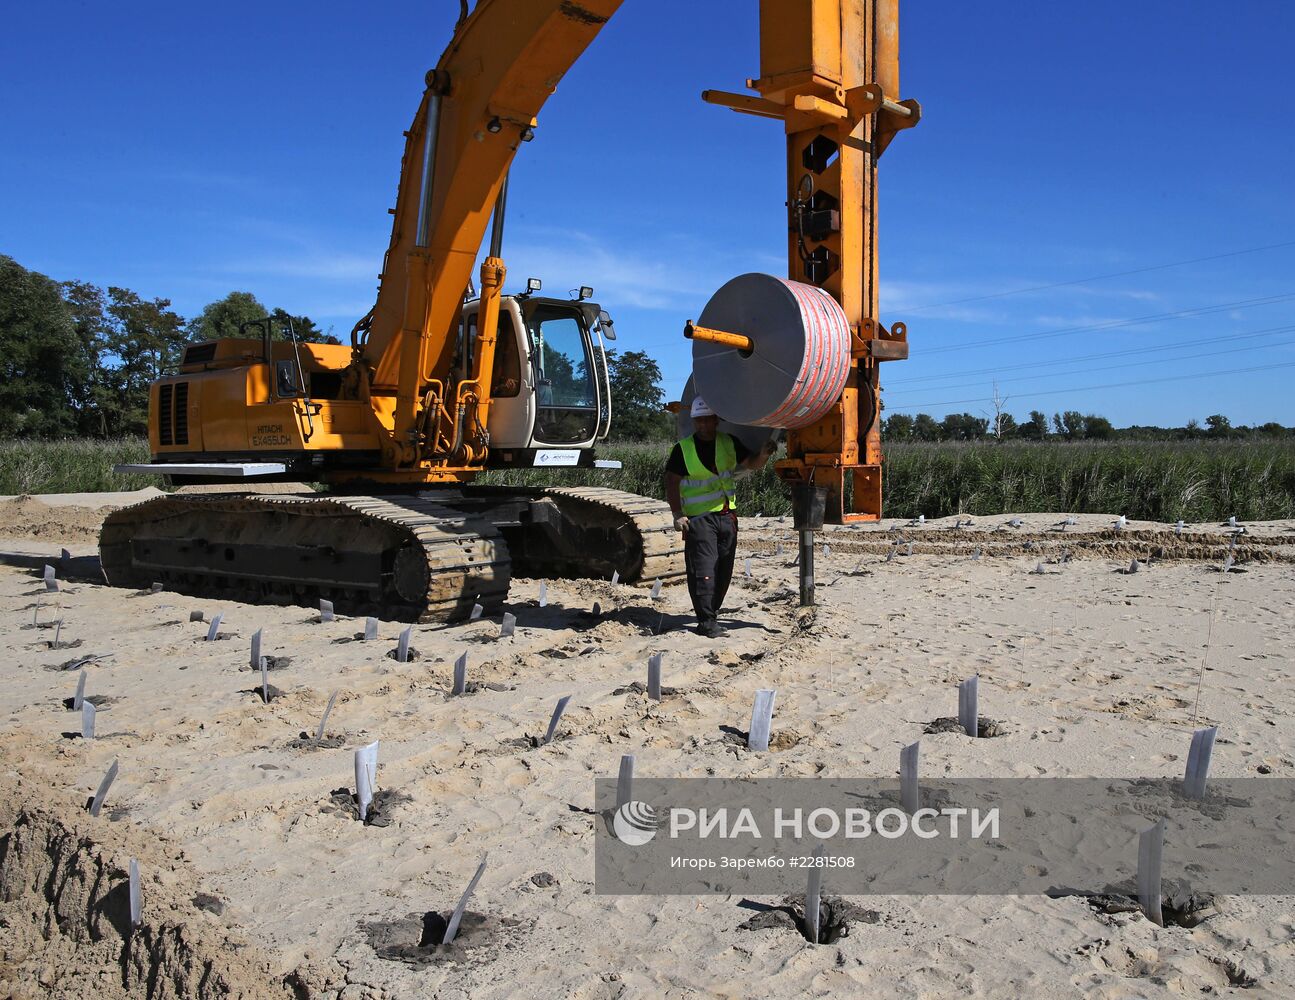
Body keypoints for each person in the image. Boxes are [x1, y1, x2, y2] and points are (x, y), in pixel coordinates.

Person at [664, 397, 776, 638]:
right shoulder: (683, 449)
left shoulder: (729, 442)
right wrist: (677, 514)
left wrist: (765, 454)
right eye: (699, 421)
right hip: (699, 519)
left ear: (716, 420)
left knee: (723, 570)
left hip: (727, 517)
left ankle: (711, 612)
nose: (703, 425)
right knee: (704, 570)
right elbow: (672, 482)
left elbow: (752, 464)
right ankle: (705, 621)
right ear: (694, 422)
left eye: (707, 420)